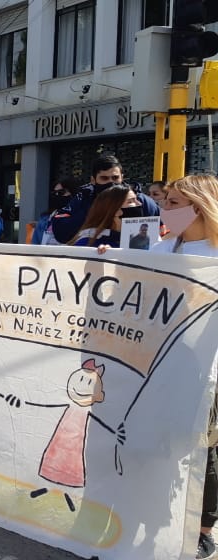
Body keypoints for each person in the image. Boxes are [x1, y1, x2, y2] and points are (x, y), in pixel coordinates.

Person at [143, 175, 218, 560]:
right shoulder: (162, 246)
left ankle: (202, 529)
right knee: (160, 438)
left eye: (173, 203)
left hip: (206, 368)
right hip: (162, 363)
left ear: (200, 207)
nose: (164, 209)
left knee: (203, 446)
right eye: (166, 201)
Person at [51, 154, 159, 243]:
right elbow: (61, 229)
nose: (111, 182)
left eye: (115, 178)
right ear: (93, 180)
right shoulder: (83, 198)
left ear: (122, 177)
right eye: (104, 178)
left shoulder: (140, 201)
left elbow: (161, 232)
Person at [67, 184, 141, 249]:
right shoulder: (87, 243)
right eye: (130, 201)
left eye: (137, 199)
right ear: (115, 210)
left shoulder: (138, 238)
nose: (139, 204)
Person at [32, 177, 80, 245]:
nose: (57, 195)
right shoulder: (44, 220)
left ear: (73, 193)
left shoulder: (81, 218)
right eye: (54, 193)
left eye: (61, 192)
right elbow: (35, 246)